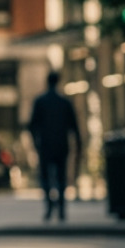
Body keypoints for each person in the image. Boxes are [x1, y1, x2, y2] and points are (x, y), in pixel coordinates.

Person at [27, 70, 81, 222]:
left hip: (45, 145)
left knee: (46, 178)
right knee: (61, 177)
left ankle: (50, 207)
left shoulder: (40, 101)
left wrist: (35, 143)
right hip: (61, 145)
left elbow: (31, 125)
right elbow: (74, 127)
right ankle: (62, 209)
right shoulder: (64, 102)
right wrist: (78, 143)